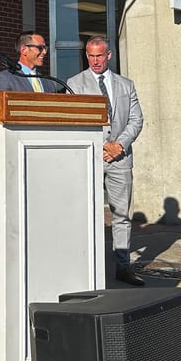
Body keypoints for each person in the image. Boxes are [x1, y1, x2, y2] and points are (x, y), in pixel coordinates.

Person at [66, 35, 145, 286]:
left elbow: (136, 119)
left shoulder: (126, 85)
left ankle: (123, 267)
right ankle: (85, 268)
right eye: (90, 55)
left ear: (109, 55)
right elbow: (74, 120)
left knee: (121, 214)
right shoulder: (75, 83)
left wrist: (119, 145)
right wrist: (101, 147)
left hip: (120, 158)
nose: (95, 60)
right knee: (85, 213)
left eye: (99, 55)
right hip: (91, 156)